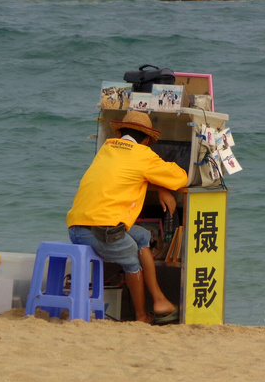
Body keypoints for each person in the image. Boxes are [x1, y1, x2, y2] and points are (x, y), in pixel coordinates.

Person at [66, 110, 188, 324]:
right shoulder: (144, 155)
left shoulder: (106, 148)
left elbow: (125, 173)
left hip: (77, 228)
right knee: (132, 260)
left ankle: (159, 300)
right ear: (148, 139)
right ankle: (141, 316)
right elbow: (180, 178)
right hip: (102, 231)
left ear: (120, 132)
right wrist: (162, 185)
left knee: (141, 237)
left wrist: (156, 185)